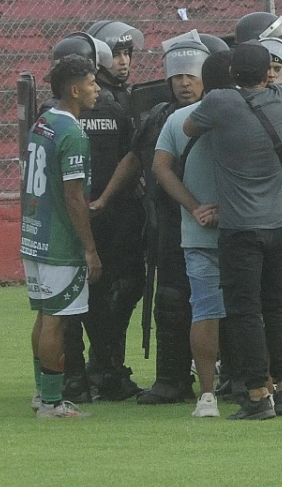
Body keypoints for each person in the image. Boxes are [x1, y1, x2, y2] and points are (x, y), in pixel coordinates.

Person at [184, 44, 282, 420]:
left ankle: (257, 393)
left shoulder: (220, 102)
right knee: (278, 307)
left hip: (240, 227)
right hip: (281, 223)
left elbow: (190, 126)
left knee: (245, 311)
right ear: (267, 71)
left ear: (233, 71)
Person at [93, 36, 213, 405]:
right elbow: (133, 158)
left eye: (190, 76)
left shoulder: (219, 111)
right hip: (168, 224)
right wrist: (105, 198)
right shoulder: (160, 115)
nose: (183, 83)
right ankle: (172, 379)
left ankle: (240, 377)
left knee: (217, 302)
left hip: (214, 223)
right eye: (177, 76)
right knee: (171, 300)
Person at [59, 21, 146, 402]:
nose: (124, 61)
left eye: (129, 53)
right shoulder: (110, 104)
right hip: (109, 214)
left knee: (71, 297)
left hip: (71, 213)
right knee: (111, 289)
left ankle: (78, 372)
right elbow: (131, 156)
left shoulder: (48, 113)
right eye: (118, 54)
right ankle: (105, 368)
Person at [152, 50, 235, 417]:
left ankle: (207, 395)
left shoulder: (177, 119)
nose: (184, 83)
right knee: (254, 309)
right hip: (244, 229)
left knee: (204, 310)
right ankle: (262, 386)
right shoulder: (249, 114)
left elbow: (160, 168)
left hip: (197, 233)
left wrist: (193, 206)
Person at [21, 55, 102, 419]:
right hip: (58, 244)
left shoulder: (42, 123)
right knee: (55, 319)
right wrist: (90, 248)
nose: (96, 89)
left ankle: (43, 394)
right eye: (91, 82)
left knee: (43, 315)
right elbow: (73, 196)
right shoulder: (73, 133)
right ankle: (52, 404)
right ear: (74, 89)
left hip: (34, 236)